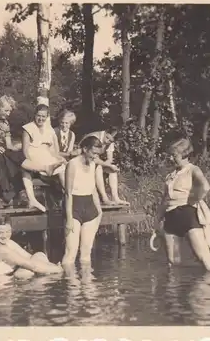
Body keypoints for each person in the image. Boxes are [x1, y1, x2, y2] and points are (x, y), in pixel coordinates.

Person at [0, 95, 64, 209]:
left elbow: (9, 145)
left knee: (17, 156)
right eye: (6, 110)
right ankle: (7, 193)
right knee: (0, 158)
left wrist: (21, 146)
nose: (8, 113)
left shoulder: (5, 123)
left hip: (1, 148)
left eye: (10, 110)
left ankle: (40, 172)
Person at [154, 138, 210, 274]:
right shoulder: (170, 176)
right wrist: (156, 222)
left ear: (184, 154)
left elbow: (205, 187)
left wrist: (195, 198)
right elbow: (164, 200)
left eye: (174, 156)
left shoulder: (192, 170)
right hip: (170, 218)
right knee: (173, 262)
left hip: (187, 214)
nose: (171, 158)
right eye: (171, 155)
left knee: (204, 259)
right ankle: (174, 292)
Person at [61, 135, 103, 266]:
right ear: (85, 149)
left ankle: (87, 285)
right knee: (71, 252)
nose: (95, 156)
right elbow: (68, 193)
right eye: (93, 153)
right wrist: (69, 219)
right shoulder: (72, 164)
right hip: (74, 206)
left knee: (86, 253)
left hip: (90, 206)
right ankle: (72, 285)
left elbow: (93, 188)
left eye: (97, 154)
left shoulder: (93, 164)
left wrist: (99, 211)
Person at [0, 214, 64, 278]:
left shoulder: (8, 243)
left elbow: (30, 257)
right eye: (1, 232)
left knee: (40, 255)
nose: (5, 235)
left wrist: (52, 265)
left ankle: (46, 278)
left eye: (8, 231)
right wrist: (58, 270)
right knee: (26, 272)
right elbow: (32, 265)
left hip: (11, 282)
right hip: (2, 290)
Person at [21, 104, 67, 212]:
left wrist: (60, 158)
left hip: (47, 156)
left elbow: (54, 151)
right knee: (27, 168)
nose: (40, 118)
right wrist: (32, 165)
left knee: (63, 167)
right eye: (38, 115)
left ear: (47, 117)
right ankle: (34, 199)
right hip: (34, 157)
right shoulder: (28, 128)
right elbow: (25, 151)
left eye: (43, 116)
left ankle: (69, 195)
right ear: (34, 115)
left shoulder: (49, 130)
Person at [78, 127, 129, 206]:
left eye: (110, 140)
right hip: (82, 159)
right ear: (105, 133)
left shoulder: (110, 142)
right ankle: (105, 198)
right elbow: (93, 158)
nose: (107, 141)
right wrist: (105, 164)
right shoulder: (95, 137)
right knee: (98, 168)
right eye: (107, 138)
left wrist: (109, 166)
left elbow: (109, 158)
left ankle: (116, 198)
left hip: (94, 161)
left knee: (112, 170)